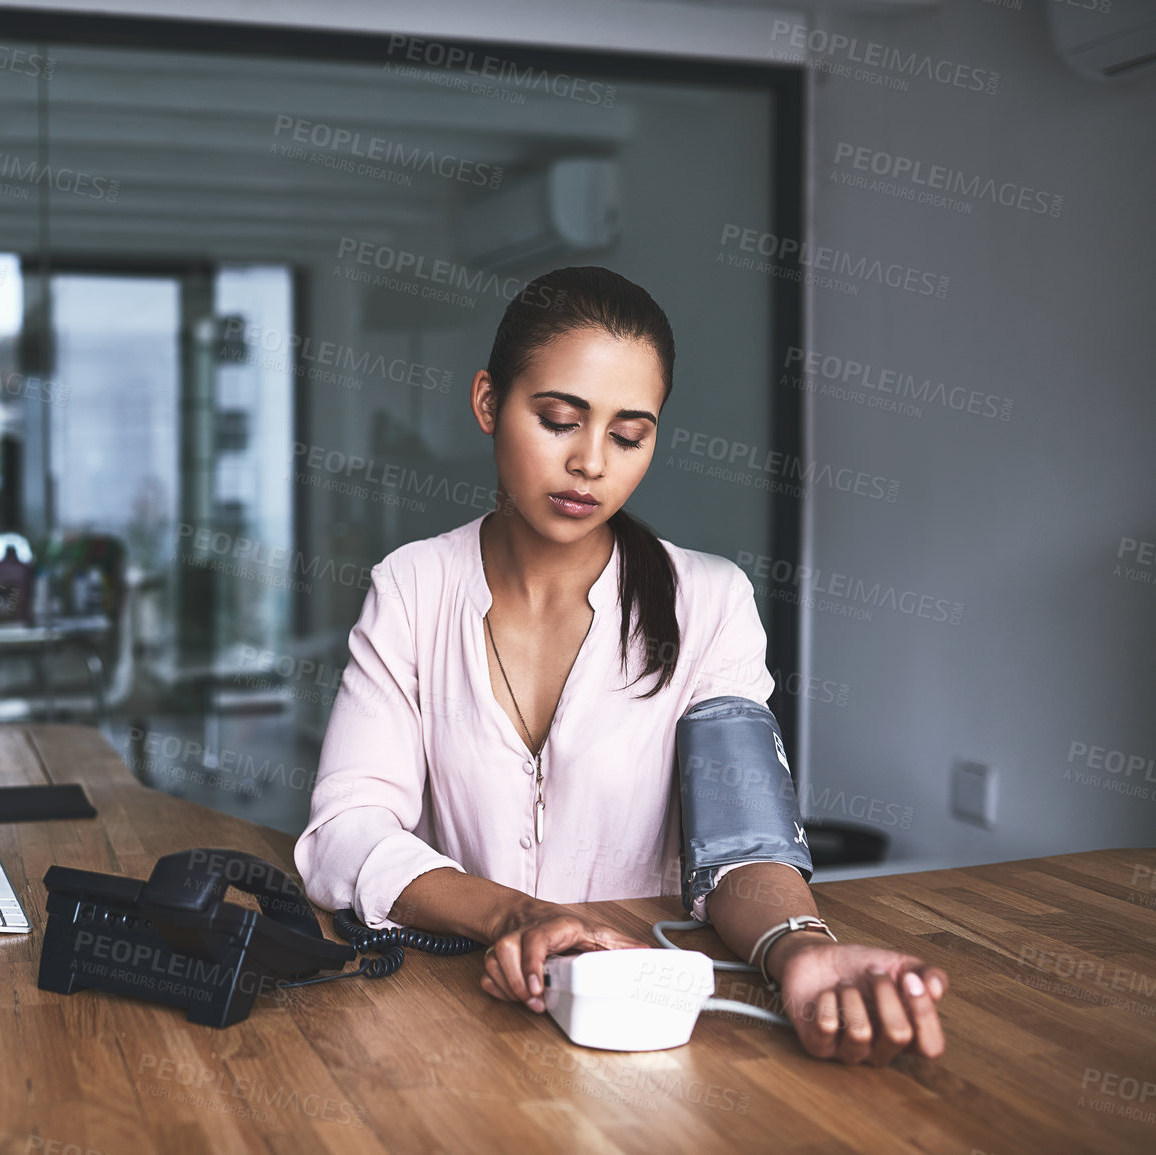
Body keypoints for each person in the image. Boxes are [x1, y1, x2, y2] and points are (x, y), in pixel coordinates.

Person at [294, 267, 946, 1065]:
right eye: (560, 420)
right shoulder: (412, 586)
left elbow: (743, 844)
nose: (590, 463)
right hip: (447, 1025)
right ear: (488, 402)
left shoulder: (710, 600)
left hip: (646, 1029)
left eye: (627, 435)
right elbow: (344, 834)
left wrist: (795, 947)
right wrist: (512, 916)